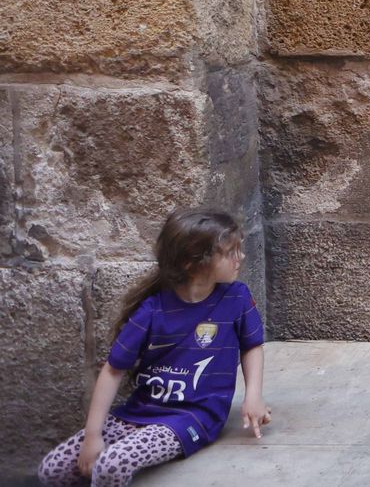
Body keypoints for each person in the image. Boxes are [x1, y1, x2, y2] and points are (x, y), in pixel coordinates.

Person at [37, 209, 268, 487]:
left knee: (113, 464)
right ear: (192, 263)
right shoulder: (153, 309)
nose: (240, 257)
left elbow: (251, 345)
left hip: (193, 417)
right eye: (231, 251)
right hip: (140, 411)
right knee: (52, 470)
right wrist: (92, 435)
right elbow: (113, 371)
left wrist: (252, 397)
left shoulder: (236, 297)